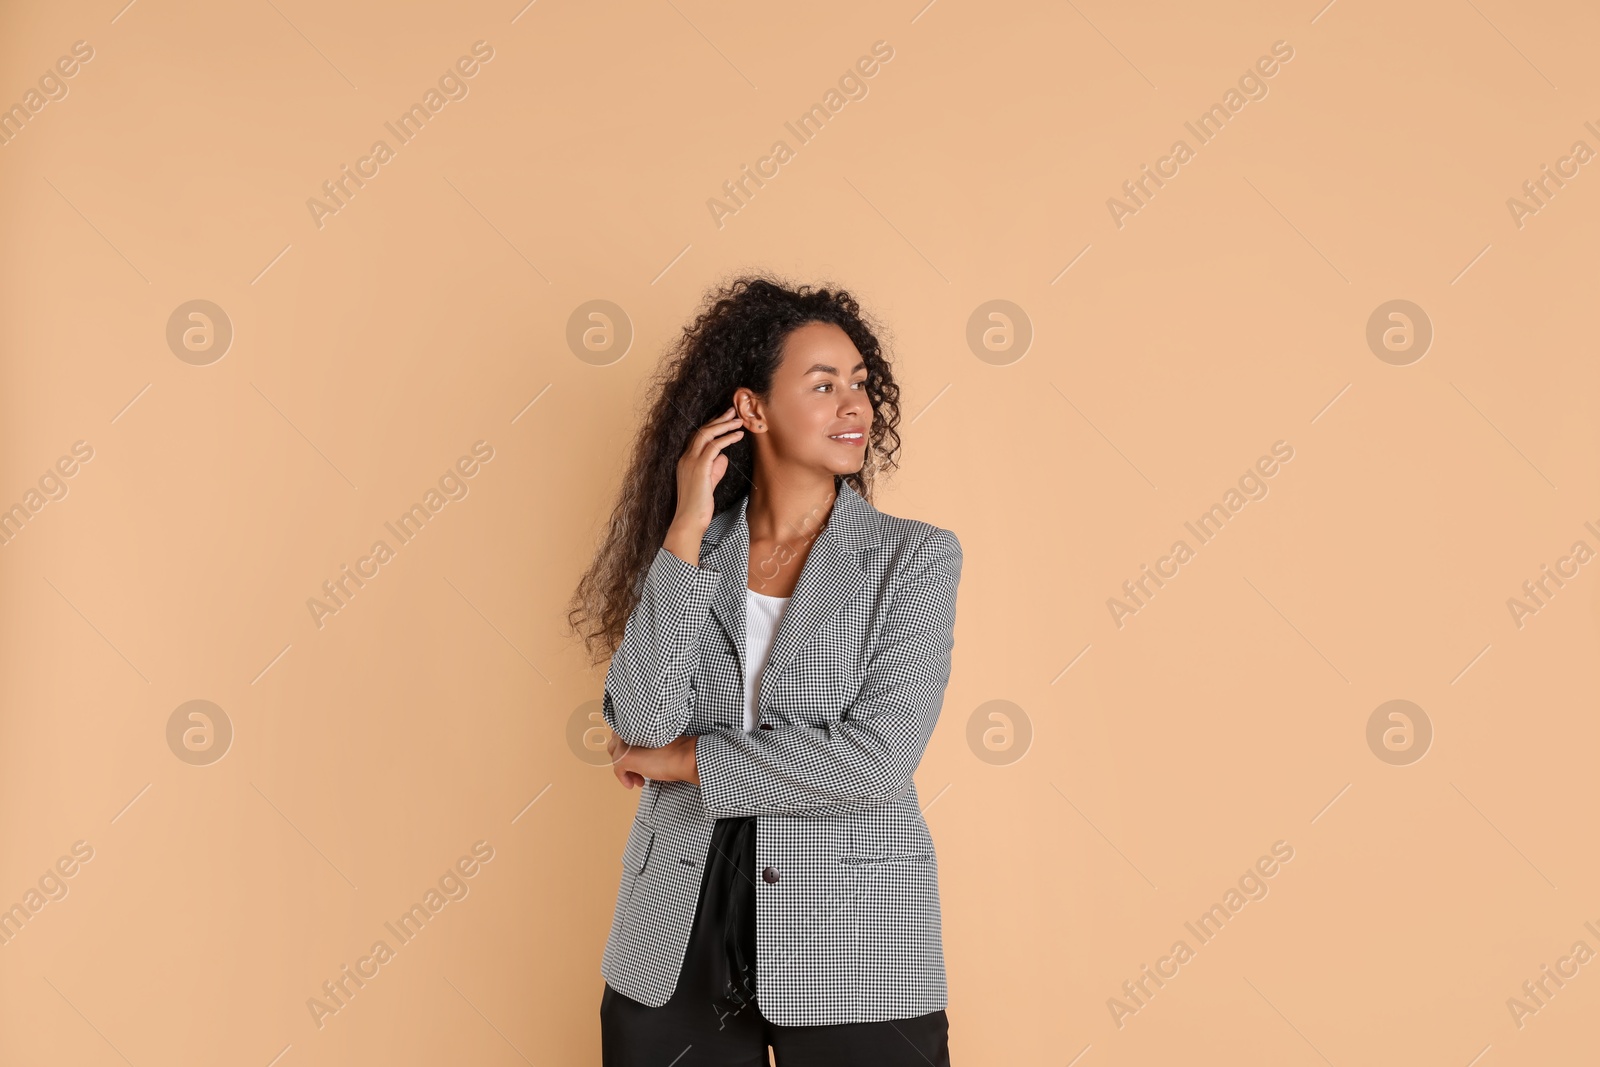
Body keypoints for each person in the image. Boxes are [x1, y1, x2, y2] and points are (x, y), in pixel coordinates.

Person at [569, 276, 963, 1065]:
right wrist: (684, 528)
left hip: (852, 934)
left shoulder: (913, 558)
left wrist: (690, 759)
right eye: (823, 385)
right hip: (676, 926)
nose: (855, 405)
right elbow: (641, 721)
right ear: (752, 409)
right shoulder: (697, 553)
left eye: (860, 383)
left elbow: (877, 757)